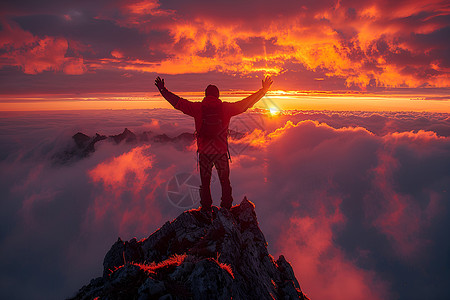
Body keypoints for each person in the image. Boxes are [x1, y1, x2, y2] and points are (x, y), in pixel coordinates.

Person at [155, 76, 273, 212]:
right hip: (221, 153)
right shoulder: (226, 108)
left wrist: (163, 90)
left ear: (206, 95)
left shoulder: (197, 108)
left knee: (205, 183)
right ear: (218, 95)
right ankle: (226, 208)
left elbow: (178, 103)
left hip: (205, 153)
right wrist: (263, 91)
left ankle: (206, 208)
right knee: (225, 181)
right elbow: (246, 103)